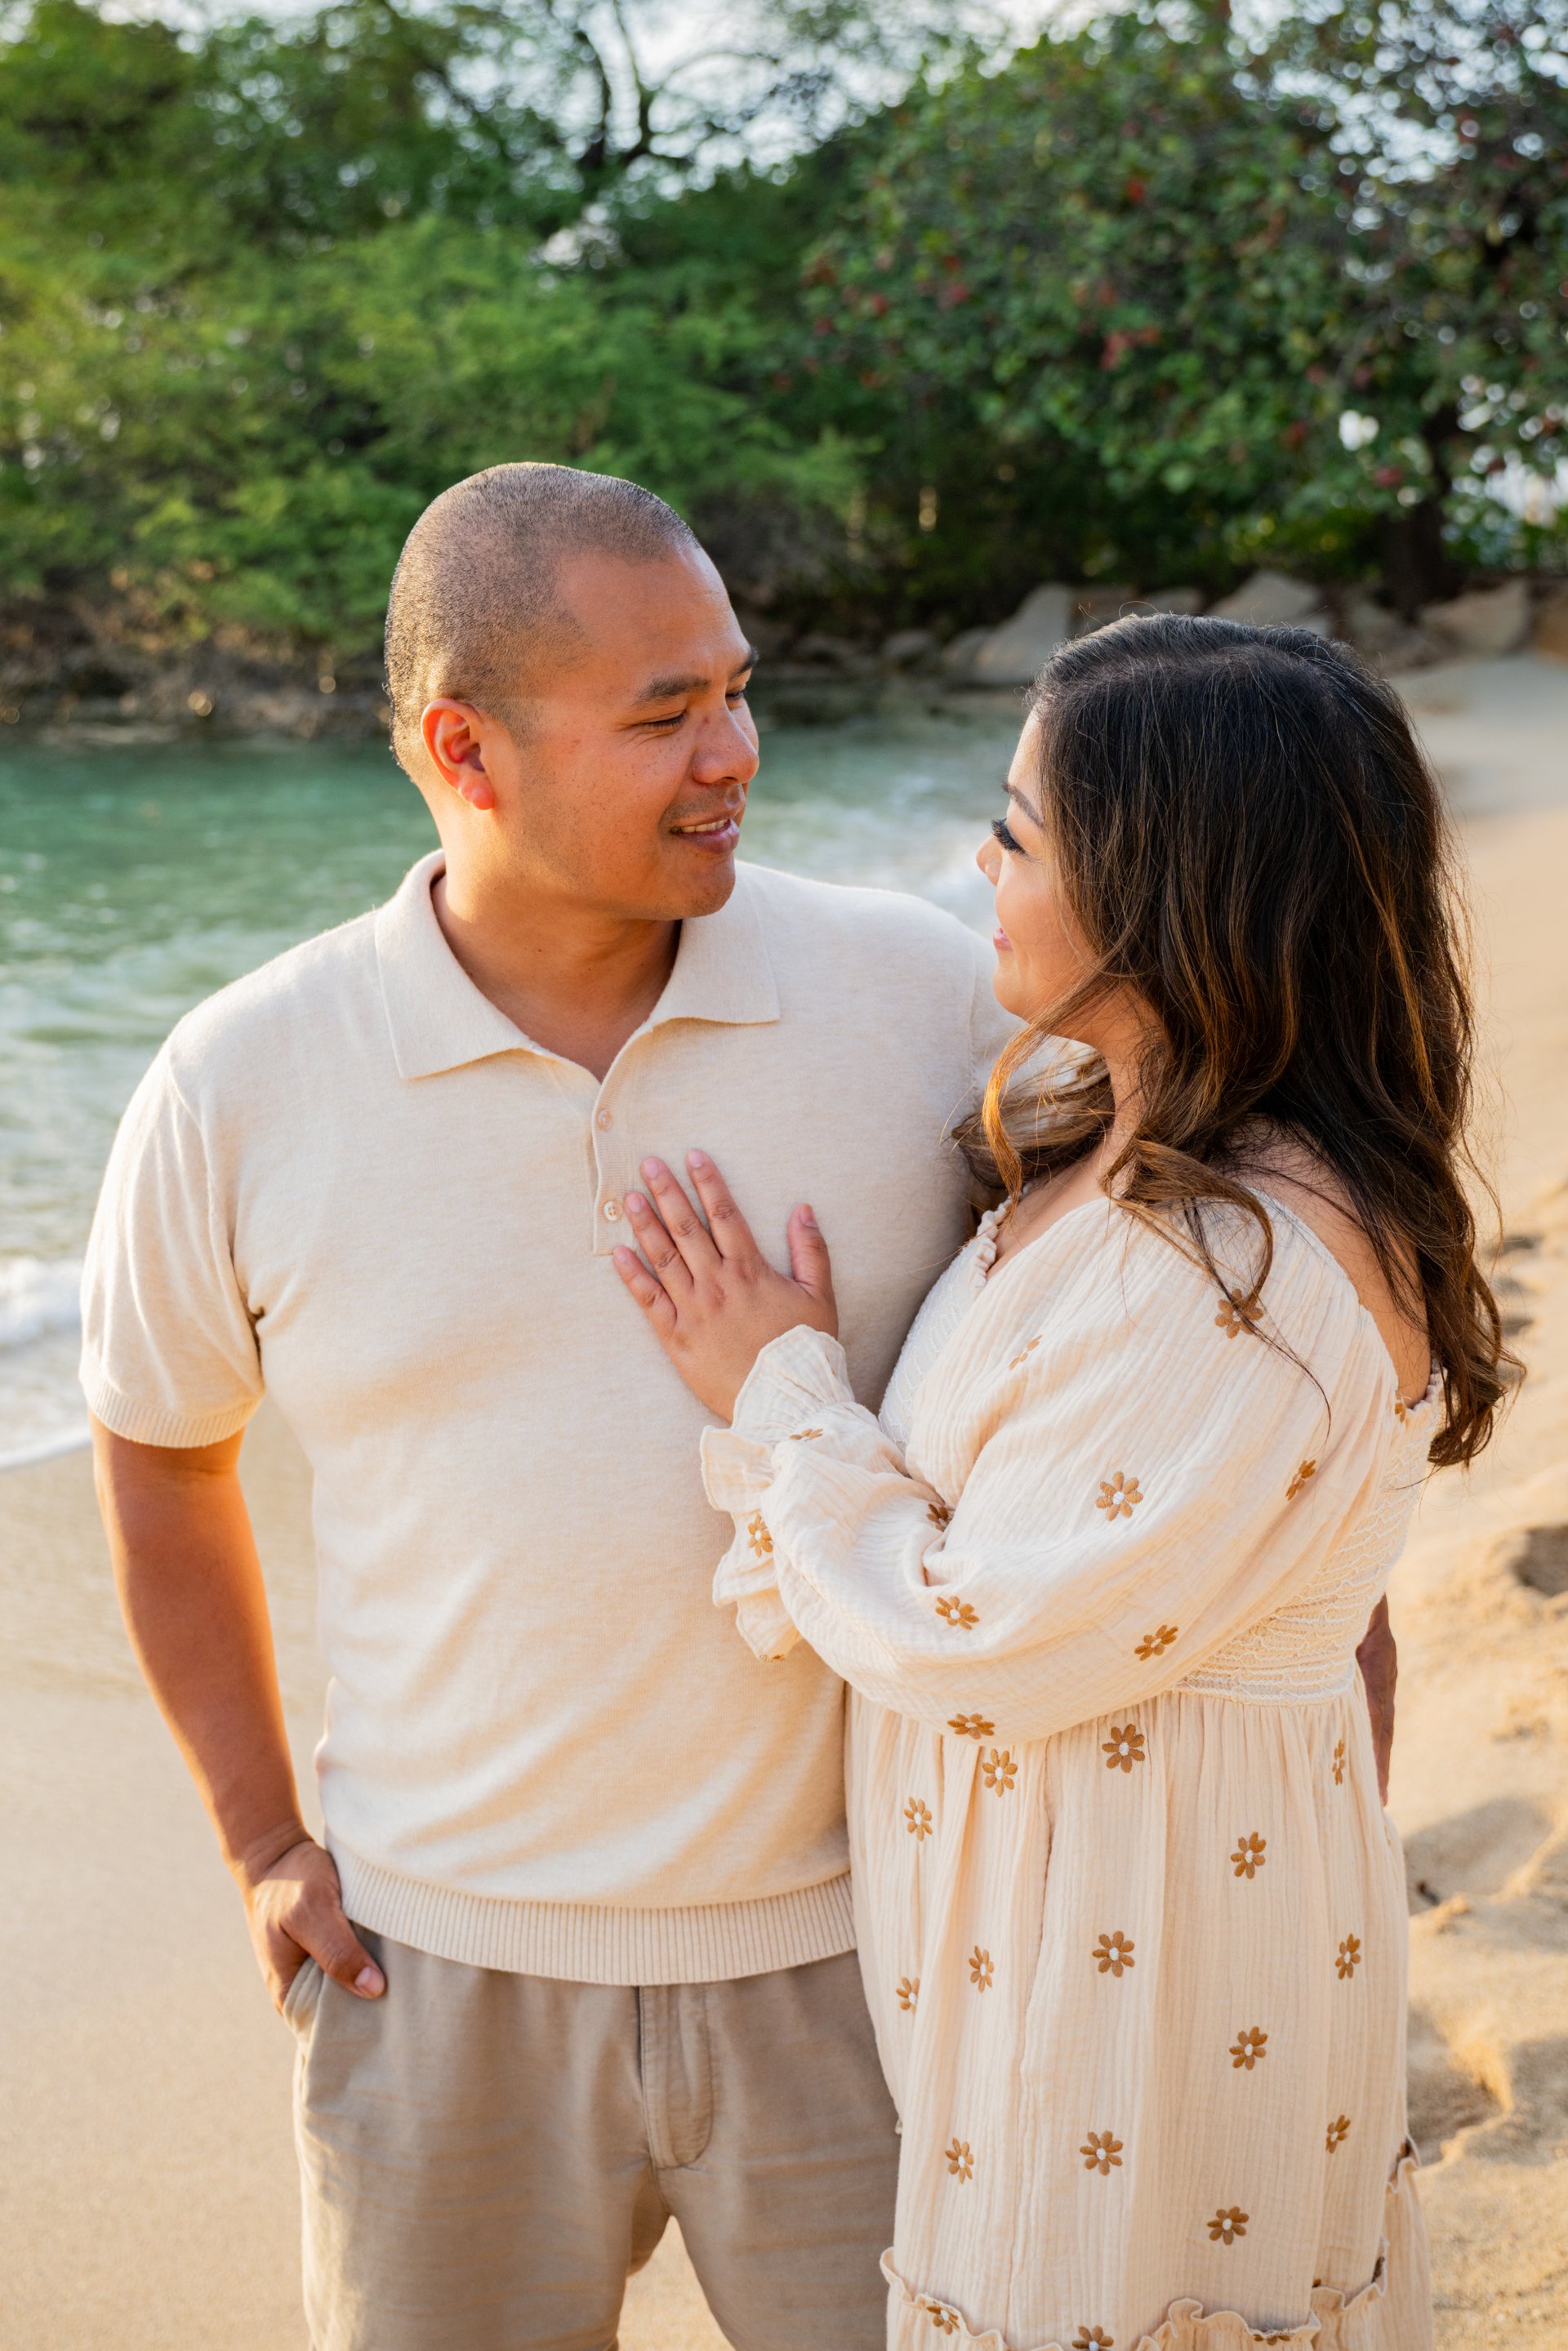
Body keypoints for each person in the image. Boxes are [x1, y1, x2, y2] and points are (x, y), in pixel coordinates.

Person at [80, 463, 1020, 2351]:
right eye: (665, 714)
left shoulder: (923, 999)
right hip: (432, 1979)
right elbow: (163, 1457)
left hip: (876, 1957)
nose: (733, 752)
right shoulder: (242, 1078)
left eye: (736, 690)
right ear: (466, 749)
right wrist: (262, 1840)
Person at [611, 614, 1508, 2351]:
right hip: (1070, 1926)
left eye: (1018, 831)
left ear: (1164, 887)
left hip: (1145, 1947)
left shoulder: (1245, 1266)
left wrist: (780, 1388)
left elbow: (980, 1632)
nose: (984, 864)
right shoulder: (1122, 1142)